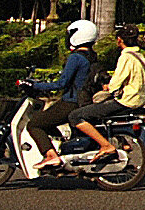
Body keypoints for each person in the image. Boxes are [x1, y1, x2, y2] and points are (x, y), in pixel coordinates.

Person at [28, 20, 118, 169]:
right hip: (84, 101)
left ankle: (51, 156)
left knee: (34, 124)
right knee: (48, 121)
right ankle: (63, 147)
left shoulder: (75, 57)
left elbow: (61, 83)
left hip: (71, 102)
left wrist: (35, 85)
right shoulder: (91, 56)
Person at [71, 25, 145, 137]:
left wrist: (108, 87)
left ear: (119, 40)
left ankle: (104, 144)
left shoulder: (126, 57)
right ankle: (122, 142)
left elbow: (115, 83)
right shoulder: (140, 56)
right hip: (139, 100)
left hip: (126, 102)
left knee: (76, 116)